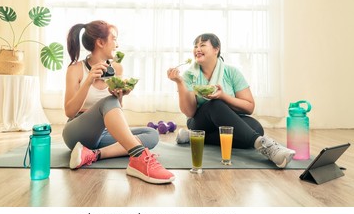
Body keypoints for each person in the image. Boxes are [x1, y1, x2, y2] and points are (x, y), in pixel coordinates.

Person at [62, 20, 175, 184]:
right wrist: (87, 81)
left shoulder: (116, 69)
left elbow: (115, 108)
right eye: (114, 39)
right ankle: (139, 157)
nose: (117, 44)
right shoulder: (76, 69)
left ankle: (93, 154)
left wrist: (120, 95)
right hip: (76, 132)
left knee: (152, 135)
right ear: (100, 42)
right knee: (108, 102)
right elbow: (69, 112)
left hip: (103, 133)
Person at [167, 33, 295, 168]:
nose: (197, 49)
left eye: (203, 45)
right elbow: (190, 111)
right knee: (215, 105)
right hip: (199, 121)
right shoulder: (189, 75)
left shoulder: (232, 72)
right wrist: (180, 83)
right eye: (195, 46)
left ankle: (194, 136)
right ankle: (264, 145)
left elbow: (249, 107)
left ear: (216, 49)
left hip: (228, 120)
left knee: (256, 128)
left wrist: (224, 97)